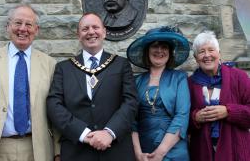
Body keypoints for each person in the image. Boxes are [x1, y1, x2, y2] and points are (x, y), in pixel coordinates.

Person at [46, 12, 138, 161]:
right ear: (78, 35)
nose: (91, 32)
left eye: (95, 27)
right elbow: (54, 105)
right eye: (85, 28)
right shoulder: (64, 68)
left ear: (104, 32)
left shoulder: (121, 65)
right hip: (77, 150)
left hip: (115, 150)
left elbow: (131, 102)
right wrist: (83, 134)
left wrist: (109, 132)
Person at [0, 4, 57, 161]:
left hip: (37, 150)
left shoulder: (50, 65)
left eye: (28, 24)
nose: (23, 29)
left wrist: (58, 151)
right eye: (17, 23)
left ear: (36, 30)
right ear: (8, 26)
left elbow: (57, 110)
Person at [127, 26, 191, 161]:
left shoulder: (179, 78)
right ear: (147, 50)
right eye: (155, 46)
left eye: (164, 47)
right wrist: (138, 153)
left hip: (173, 150)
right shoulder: (136, 81)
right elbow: (131, 120)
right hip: (144, 152)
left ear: (170, 52)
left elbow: (182, 116)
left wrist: (160, 153)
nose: (159, 50)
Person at [188, 31, 250, 161]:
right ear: (195, 57)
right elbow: (180, 119)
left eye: (211, 50)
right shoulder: (190, 83)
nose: (207, 55)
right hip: (202, 153)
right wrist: (195, 118)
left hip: (236, 152)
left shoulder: (239, 77)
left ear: (219, 53)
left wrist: (228, 111)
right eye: (201, 52)